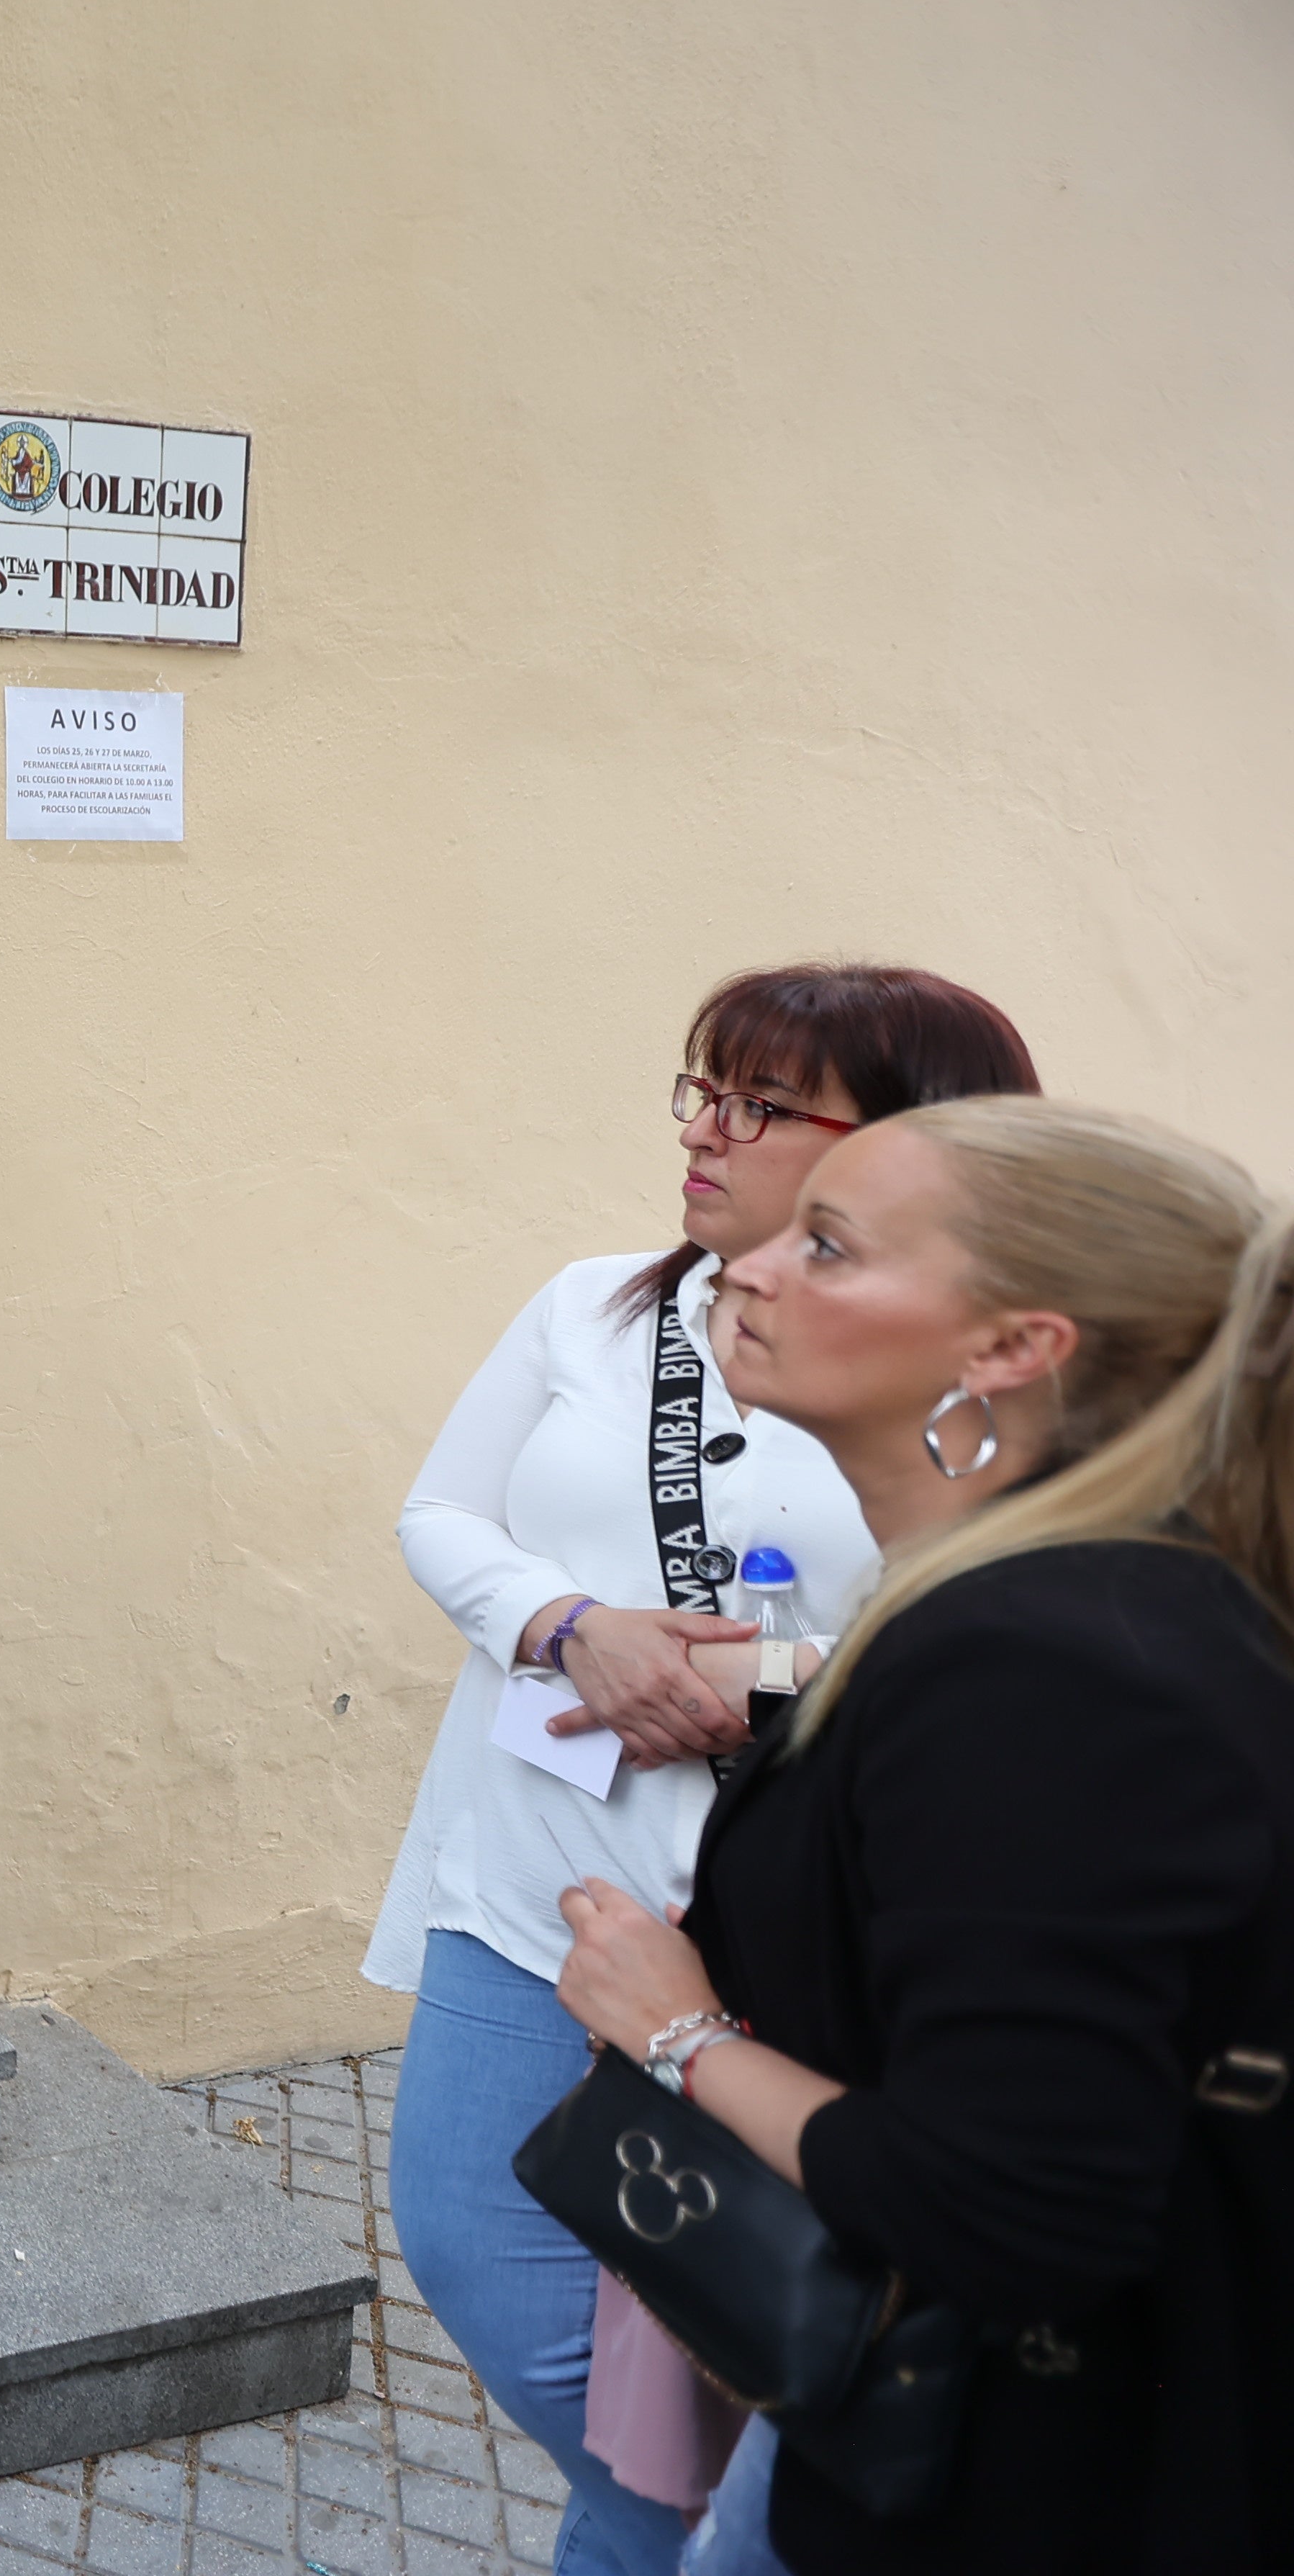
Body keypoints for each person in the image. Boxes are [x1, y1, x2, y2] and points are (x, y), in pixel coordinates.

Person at [558, 1099, 1294, 2573]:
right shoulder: (1059, 1605)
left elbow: (1011, 2210)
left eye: (827, 1245)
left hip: (1045, 2487)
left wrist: (679, 2034)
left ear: (1013, 1347)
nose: (750, 1266)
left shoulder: (1044, 1661)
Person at [367, 964, 1037, 2575]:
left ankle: (686, 2530)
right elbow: (443, 1513)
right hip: (538, 1879)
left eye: (760, 1104)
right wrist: (570, 1627)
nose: (704, 1131)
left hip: (781, 1927)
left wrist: (774, 1686)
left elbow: (990, 1628)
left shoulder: (973, 1370)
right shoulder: (595, 1302)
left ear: (912, 1146)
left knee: (715, 2309)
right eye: (702, 1090)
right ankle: (679, 2525)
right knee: (476, 2243)